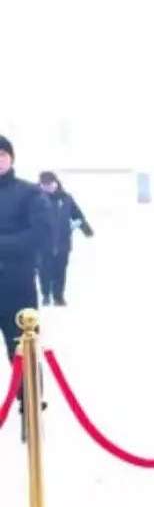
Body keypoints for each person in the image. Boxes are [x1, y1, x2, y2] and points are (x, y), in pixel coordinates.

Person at [0, 135, 50, 361]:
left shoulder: (30, 193)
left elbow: (40, 234)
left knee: (22, 353)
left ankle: (29, 396)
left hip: (17, 287)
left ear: (11, 158)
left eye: (2, 155)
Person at [35, 171, 94, 306]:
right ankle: (46, 295)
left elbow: (77, 215)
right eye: (45, 185)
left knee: (60, 270)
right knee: (44, 271)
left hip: (62, 242)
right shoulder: (35, 199)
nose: (48, 187)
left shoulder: (66, 198)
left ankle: (58, 297)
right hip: (42, 243)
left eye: (50, 184)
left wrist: (86, 229)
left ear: (56, 183)